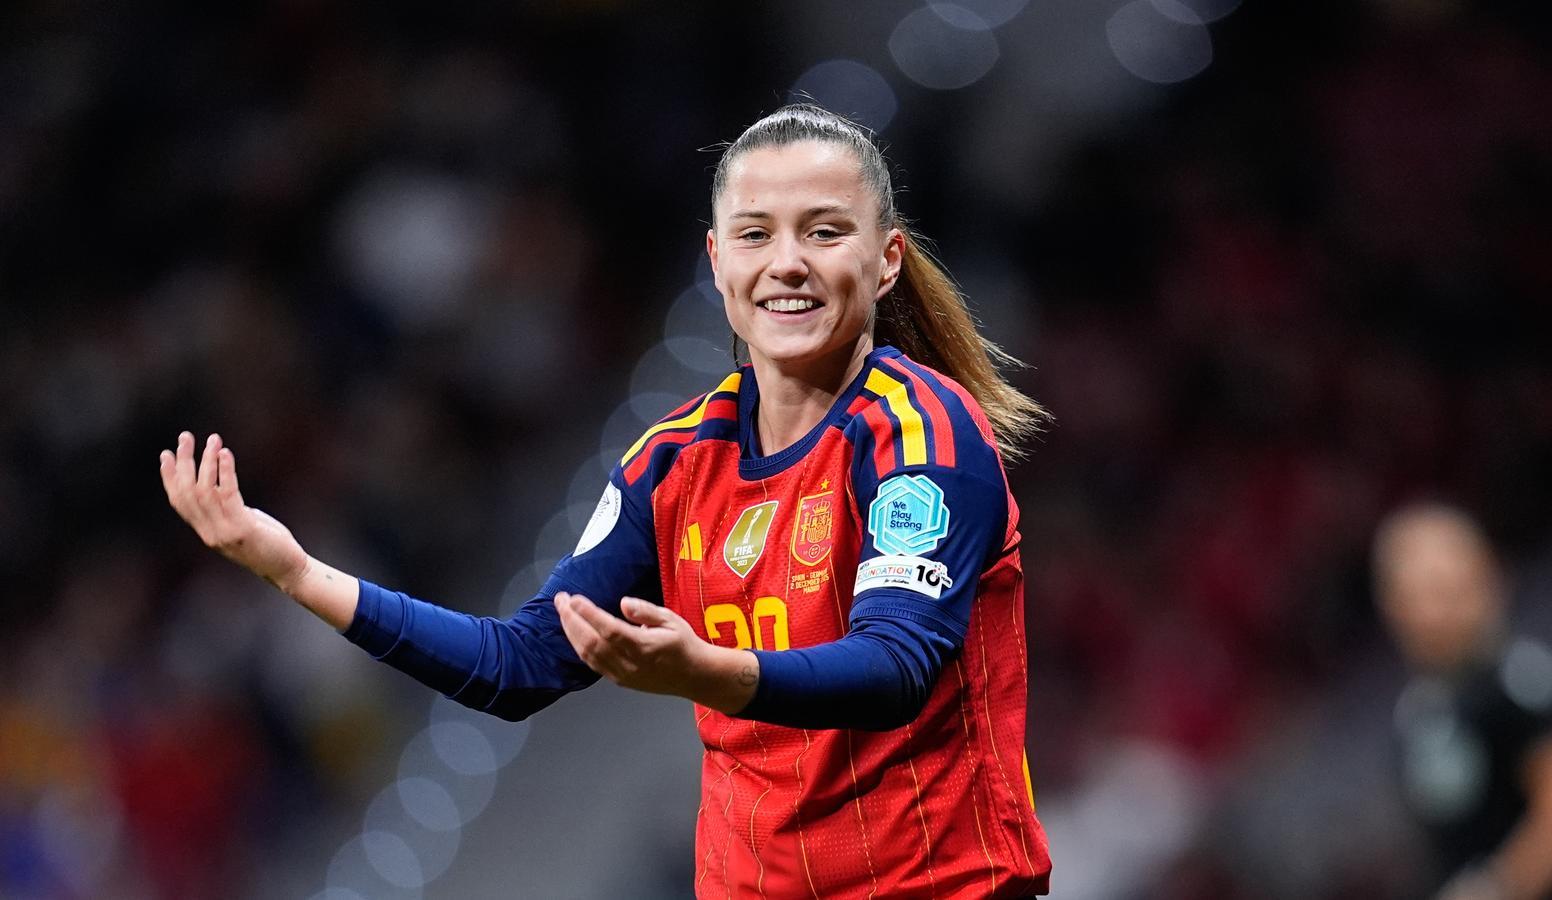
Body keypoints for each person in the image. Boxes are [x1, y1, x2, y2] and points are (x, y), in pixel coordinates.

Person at [160, 104, 1054, 898]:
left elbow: (897, 668)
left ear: (887, 259)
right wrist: (294, 570)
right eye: (755, 234)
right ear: (716, 259)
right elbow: (517, 668)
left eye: (824, 232)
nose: (787, 263)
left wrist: (703, 670)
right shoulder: (670, 464)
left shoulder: (924, 432)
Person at [1374, 503, 1552, 900]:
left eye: (1448, 588)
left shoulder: (1516, 677)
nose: (1436, 611)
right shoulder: (1417, 711)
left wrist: (1499, 887)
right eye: (1420, 593)